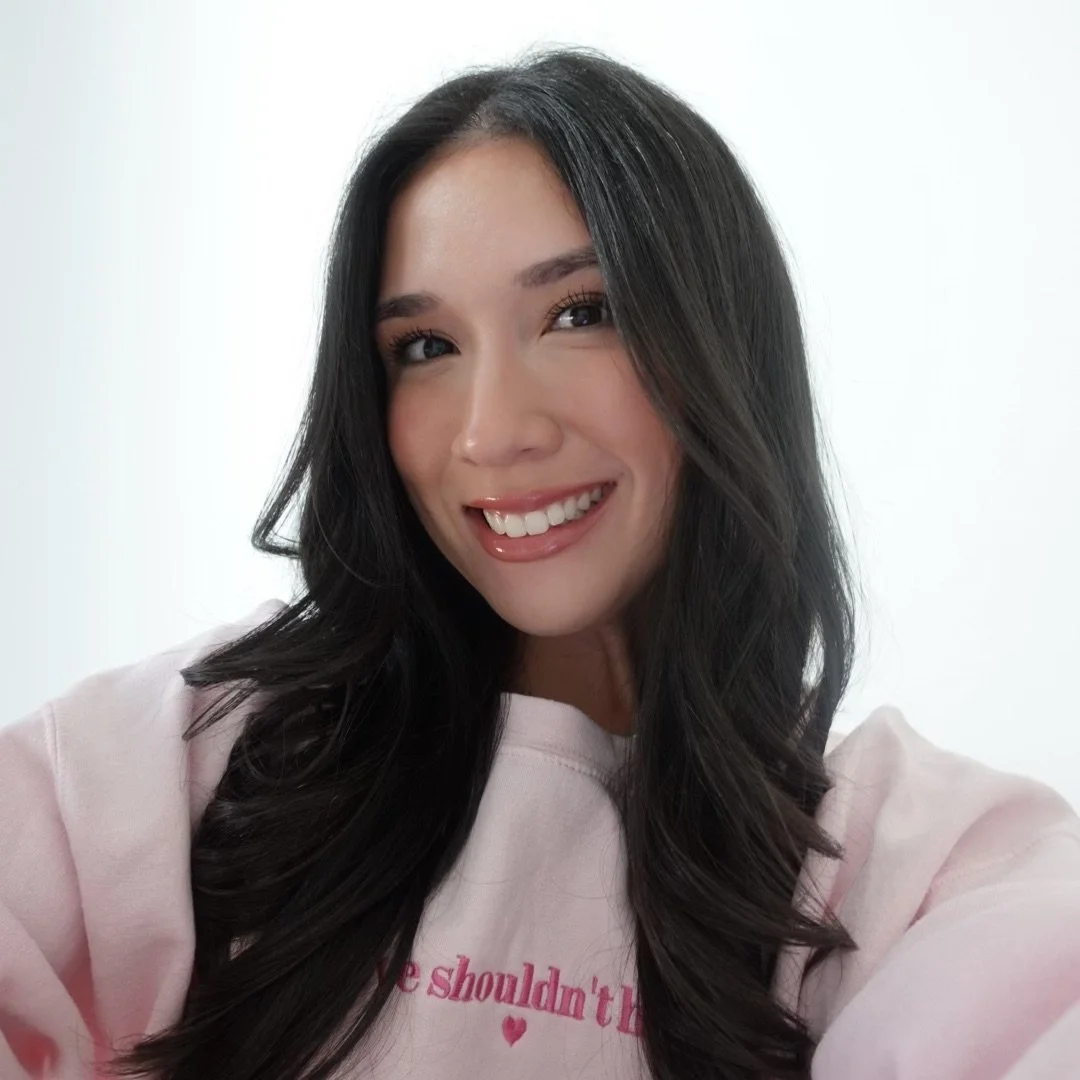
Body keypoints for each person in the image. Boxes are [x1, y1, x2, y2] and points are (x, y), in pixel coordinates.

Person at [2, 45, 1078, 1080]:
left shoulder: (904, 858)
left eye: (579, 314)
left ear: (721, 341)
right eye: (425, 348)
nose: (491, 432)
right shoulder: (186, 765)